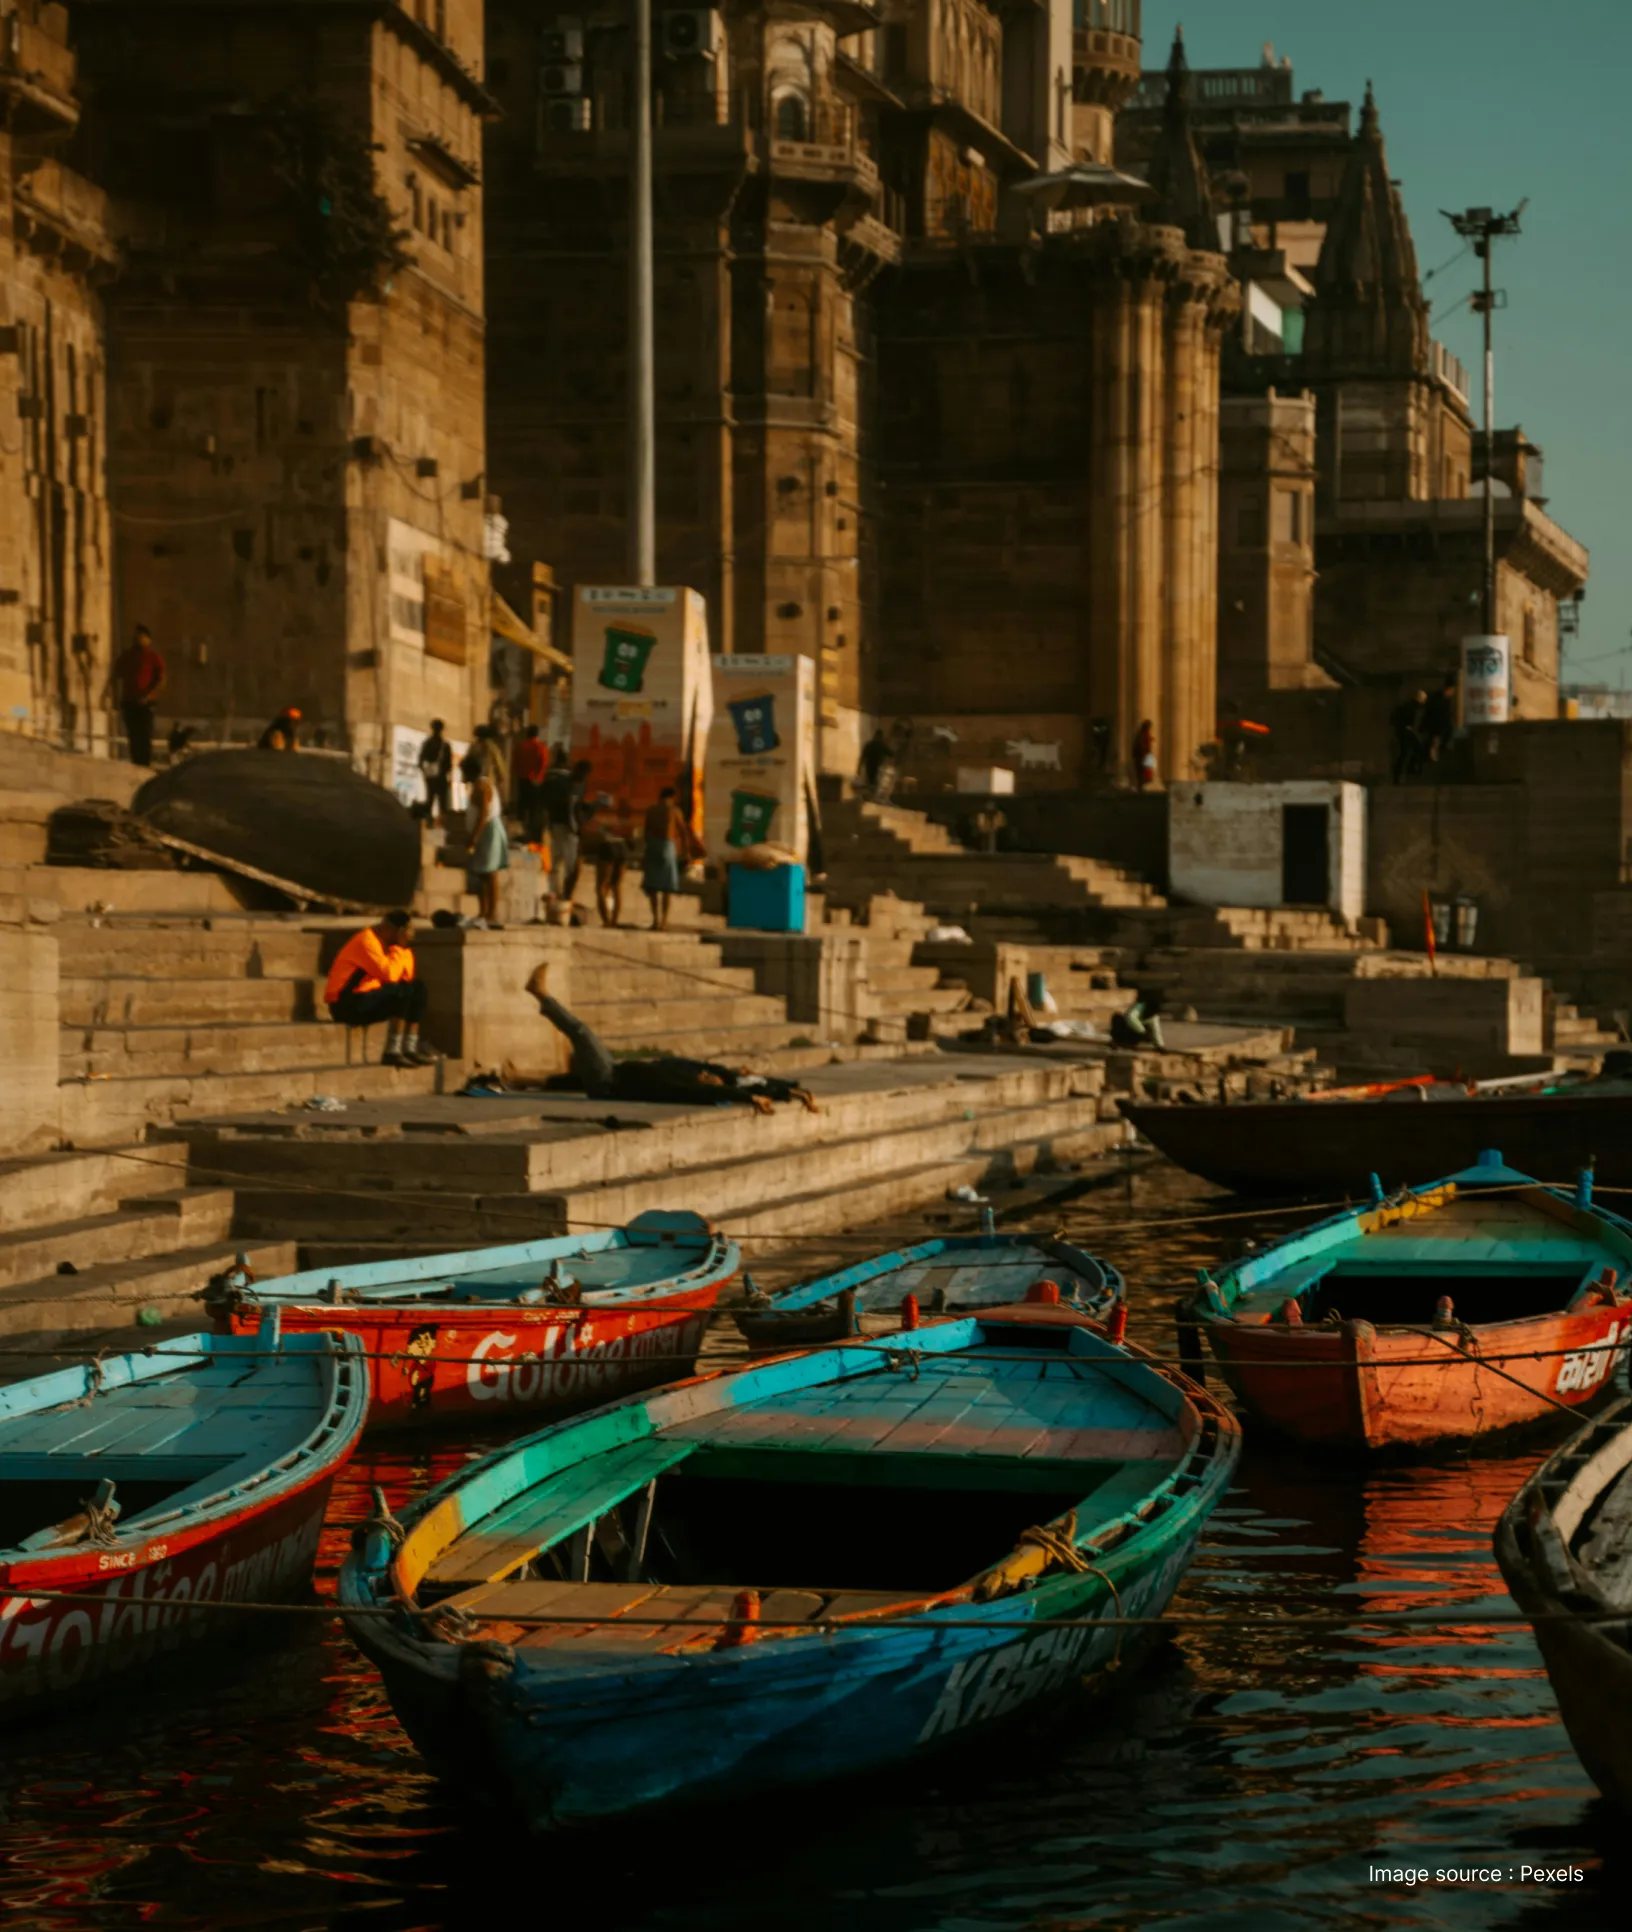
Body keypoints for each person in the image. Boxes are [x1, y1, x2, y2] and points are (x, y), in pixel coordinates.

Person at [524, 964, 816, 1114]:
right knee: (569, 1077)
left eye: (709, 1079)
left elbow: (717, 1092)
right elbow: (723, 1076)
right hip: (617, 1070)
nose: (707, 1076)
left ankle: (540, 993)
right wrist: (792, 1091)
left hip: (608, 1082)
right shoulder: (690, 1072)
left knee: (582, 1034)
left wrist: (749, 1098)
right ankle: (519, 1079)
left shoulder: (685, 1088)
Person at [324, 910, 436, 1067]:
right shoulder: (366, 940)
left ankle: (409, 1047)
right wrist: (398, 947)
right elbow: (389, 974)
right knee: (402, 993)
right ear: (390, 930)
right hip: (346, 1003)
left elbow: (406, 976)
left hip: (367, 996)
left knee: (418, 988)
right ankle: (392, 1050)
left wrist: (403, 949)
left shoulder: (390, 945)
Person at [106, 624, 167, 767]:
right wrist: (108, 694)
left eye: (141, 636)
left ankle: (144, 762)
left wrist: (150, 695)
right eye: (136, 636)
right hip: (130, 702)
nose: (138, 638)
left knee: (144, 734)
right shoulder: (127, 656)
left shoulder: (153, 657)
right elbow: (115, 675)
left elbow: (161, 679)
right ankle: (136, 762)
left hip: (146, 703)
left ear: (148, 639)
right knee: (133, 734)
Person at [462, 748, 509, 926]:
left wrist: (474, 837)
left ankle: (492, 914)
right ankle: (483, 912)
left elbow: (483, 814)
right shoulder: (477, 786)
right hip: (483, 832)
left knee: (490, 873)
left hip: (488, 831)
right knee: (481, 873)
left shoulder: (482, 786)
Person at [642, 785, 695, 932]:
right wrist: (686, 851)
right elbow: (683, 832)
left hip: (653, 846)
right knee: (667, 887)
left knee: (653, 887)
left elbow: (646, 833)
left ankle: (655, 920)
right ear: (672, 797)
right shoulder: (674, 811)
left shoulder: (651, 810)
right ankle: (664, 922)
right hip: (667, 846)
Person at [543, 755, 591, 913]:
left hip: (570, 830)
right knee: (557, 862)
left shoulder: (580, 786)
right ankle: (557, 894)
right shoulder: (563, 784)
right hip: (560, 827)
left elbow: (578, 808)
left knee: (571, 866)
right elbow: (562, 807)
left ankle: (566, 895)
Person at [581, 795, 628, 928]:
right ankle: (614, 920)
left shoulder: (593, 818)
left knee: (601, 887)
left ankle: (606, 921)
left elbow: (589, 837)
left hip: (607, 847)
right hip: (621, 846)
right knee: (616, 886)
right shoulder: (615, 817)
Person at [513, 725, 549, 844]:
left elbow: (515, 763)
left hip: (522, 780)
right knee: (535, 810)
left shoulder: (521, 746)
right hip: (535, 782)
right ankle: (534, 836)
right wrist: (538, 777)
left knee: (522, 808)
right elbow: (543, 764)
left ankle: (521, 833)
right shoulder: (540, 747)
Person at [418, 720, 453, 825]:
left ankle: (429, 823)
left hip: (431, 778)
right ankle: (443, 824)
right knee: (443, 803)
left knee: (430, 800)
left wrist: (426, 772)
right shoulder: (445, 745)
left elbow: (420, 761)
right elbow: (449, 765)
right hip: (441, 778)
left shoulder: (427, 743)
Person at [1390, 689, 1428, 783]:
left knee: (1406, 753)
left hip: (1404, 731)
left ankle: (1404, 772)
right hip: (1405, 732)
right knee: (1410, 751)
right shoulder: (1411, 706)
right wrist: (1405, 726)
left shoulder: (1410, 706)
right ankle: (1409, 770)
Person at [1423, 674, 1458, 763]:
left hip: (1439, 729)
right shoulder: (1440, 700)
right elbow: (1438, 716)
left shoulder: (1445, 700)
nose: (1453, 692)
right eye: (1453, 690)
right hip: (1437, 728)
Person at [859, 728, 889, 798]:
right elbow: (891, 754)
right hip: (878, 766)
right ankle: (872, 796)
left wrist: (859, 768)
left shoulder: (869, 744)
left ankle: (870, 796)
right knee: (875, 782)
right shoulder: (882, 745)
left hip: (869, 766)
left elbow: (863, 757)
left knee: (870, 782)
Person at [1133, 719, 1156, 790]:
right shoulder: (1143, 734)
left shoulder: (1143, 734)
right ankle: (1142, 785)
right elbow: (1142, 745)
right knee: (1143, 771)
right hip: (1143, 756)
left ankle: (1142, 785)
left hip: (1143, 756)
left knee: (1144, 771)